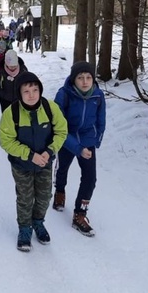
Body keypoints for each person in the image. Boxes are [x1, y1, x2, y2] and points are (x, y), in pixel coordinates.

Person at [0, 72, 68, 252]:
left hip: (45, 163)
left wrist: (50, 151)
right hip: (21, 166)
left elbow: (61, 131)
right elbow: (6, 140)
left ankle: (38, 222)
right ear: (19, 93)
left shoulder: (50, 107)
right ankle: (24, 228)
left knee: (44, 196)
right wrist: (29, 155)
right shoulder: (11, 113)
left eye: (35, 90)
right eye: (26, 91)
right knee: (25, 198)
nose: (31, 95)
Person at [53, 61, 106, 237]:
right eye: (80, 78)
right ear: (73, 79)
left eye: (89, 77)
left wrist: (96, 140)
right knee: (62, 169)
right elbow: (57, 124)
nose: (85, 81)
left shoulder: (98, 96)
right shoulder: (64, 95)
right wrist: (75, 147)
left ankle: (80, 214)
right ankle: (60, 192)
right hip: (66, 138)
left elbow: (101, 120)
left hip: (87, 140)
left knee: (90, 179)